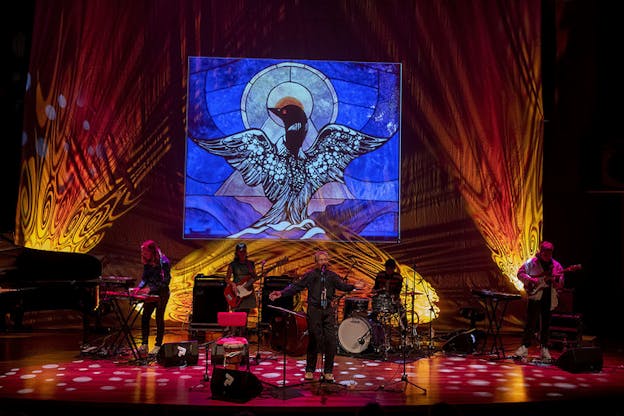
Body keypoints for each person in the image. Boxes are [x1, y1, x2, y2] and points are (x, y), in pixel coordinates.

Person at [269, 250, 357, 383]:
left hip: (328, 310)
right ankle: (310, 370)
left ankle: (328, 371)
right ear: (316, 263)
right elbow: (296, 287)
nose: (323, 262)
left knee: (330, 341)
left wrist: (354, 286)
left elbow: (343, 286)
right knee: (314, 339)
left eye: (325, 259)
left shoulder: (332, 276)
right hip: (314, 310)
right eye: (321, 260)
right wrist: (281, 293)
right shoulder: (310, 275)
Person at [514, 240, 564, 361]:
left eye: (550, 251)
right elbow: (520, 273)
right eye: (545, 251)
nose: (547, 254)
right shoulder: (531, 263)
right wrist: (532, 281)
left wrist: (554, 280)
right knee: (531, 322)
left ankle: (544, 348)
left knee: (546, 324)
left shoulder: (557, 266)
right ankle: (524, 347)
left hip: (548, 296)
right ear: (540, 251)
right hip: (535, 295)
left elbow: (560, 284)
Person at [134, 240, 171, 356]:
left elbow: (166, 281)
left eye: (145, 252)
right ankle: (144, 344)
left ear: (152, 251)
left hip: (162, 293)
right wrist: (138, 288)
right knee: (145, 317)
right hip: (152, 292)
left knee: (159, 317)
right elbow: (145, 278)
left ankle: (158, 345)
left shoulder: (163, 262)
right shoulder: (148, 262)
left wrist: (151, 289)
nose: (143, 254)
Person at [224, 242, 258, 336]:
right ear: (237, 253)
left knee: (244, 315)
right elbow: (226, 278)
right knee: (235, 312)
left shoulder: (250, 264)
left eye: (244, 251)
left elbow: (254, 277)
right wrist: (233, 284)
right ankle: (233, 333)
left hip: (247, 291)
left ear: (246, 252)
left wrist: (252, 279)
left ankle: (242, 335)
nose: (242, 253)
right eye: (240, 251)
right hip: (236, 290)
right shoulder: (233, 265)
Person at [372, 259, 408, 332]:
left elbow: (398, 291)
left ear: (393, 269)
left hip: (393, 300)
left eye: (390, 268)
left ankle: (405, 330)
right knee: (373, 312)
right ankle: (373, 329)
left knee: (402, 311)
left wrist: (394, 296)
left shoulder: (398, 277)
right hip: (380, 300)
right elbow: (375, 287)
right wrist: (375, 291)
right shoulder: (380, 275)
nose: (388, 270)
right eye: (387, 268)